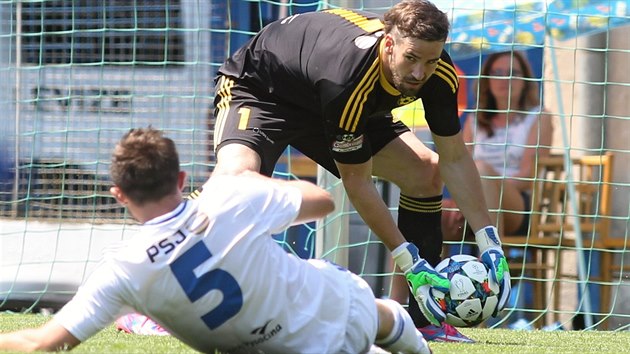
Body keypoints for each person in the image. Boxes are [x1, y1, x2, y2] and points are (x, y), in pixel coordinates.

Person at [210, 0, 510, 341]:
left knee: (425, 172)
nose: (418, 73)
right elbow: (358, 182)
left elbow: (454, 158)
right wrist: (409, 261)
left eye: (430, 60)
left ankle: (420, 318)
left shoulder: (437, 74)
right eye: (411, 58)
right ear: (389, 43)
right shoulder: (348, 78)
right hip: (263, 91)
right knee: (235, 182)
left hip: (331, 97)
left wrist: (490, 243)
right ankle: (162, 291)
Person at [0, 127, 431, 354]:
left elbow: (43, 342)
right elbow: (323, 202)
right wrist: (249, 180)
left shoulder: (122, 270)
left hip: (276, 348)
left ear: (119, 195)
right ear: (182, 179)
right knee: (371, 309)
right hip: (339, 311)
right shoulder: (232, 196)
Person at [441, 51, 554, 243]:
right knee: (429, 211)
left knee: (482, 171)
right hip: (472, 201)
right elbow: (459, 169)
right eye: (498, 73)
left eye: (513, 72)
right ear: (487, 79)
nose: (505, 79)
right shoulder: (475, 119)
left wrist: (488, 186)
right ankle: (432, 270)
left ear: (525, 79)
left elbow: (529, 176)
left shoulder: (538, 117)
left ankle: (492, 262)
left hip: (516, 203)